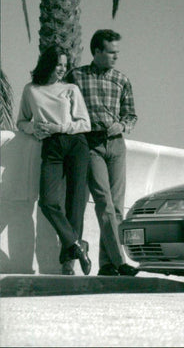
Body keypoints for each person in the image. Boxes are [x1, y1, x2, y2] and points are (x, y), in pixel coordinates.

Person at [66, 30, 139, 277]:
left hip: (116, 144)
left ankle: (106, 265)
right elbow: (63, 106)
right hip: (90, 144)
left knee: (116, 207)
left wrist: (123, 125)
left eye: (117, 52)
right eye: (111, 52)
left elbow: (131, 115)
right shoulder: (76, 76)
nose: (116, 56)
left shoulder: (121, 79)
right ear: (97, 51)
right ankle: (120, 261)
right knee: (104, 203)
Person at [16, 46, 93, 275]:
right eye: (59, 64)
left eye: (65, 65)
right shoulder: (31, 90)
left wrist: (58, 127)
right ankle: (77, 244)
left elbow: (85, 123)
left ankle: (68, 264)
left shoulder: (70, 89)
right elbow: (21, 122)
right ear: (48, 63)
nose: (62, 69)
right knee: (48, 202)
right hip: (51, 147)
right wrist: (34, 128)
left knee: (75, 204)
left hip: (76, 144)